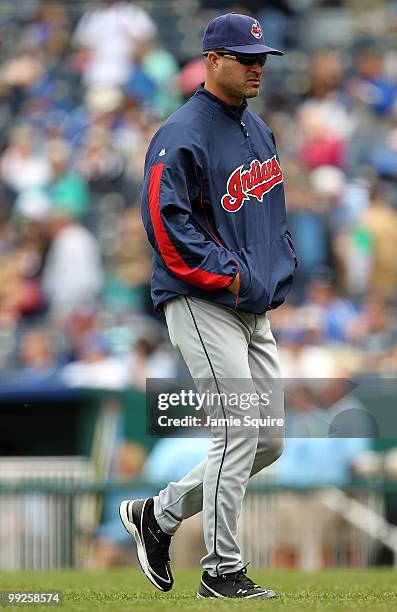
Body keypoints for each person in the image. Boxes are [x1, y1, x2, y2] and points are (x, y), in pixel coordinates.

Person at [119, 13, 297, 600]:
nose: (256, 67)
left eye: (261, 58)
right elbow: (166, 233)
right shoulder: (181, 133)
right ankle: (222, 573)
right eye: (245, 58)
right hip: (201, 299)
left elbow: (272, 216)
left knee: (267, 439)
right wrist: (236, 278)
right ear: (211, 60)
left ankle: (159, 515)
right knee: (239, 430)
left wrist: (276, 270)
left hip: (251, 303)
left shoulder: (257, 129)